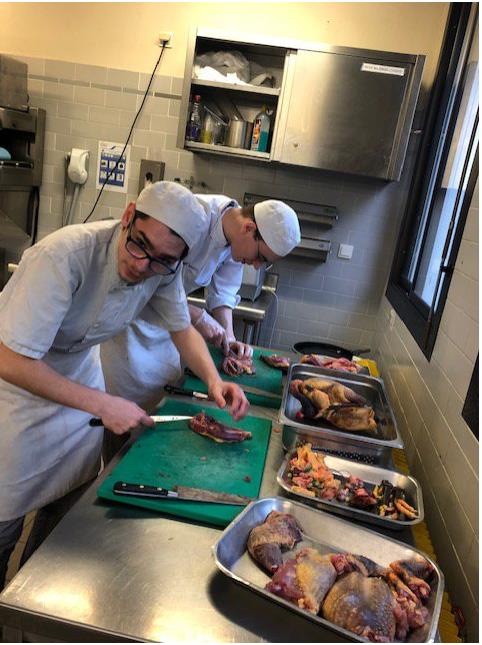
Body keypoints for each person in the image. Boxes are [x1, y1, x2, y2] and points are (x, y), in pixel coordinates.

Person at [0, 181, 249, 590]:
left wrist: (214, 379)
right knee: (3, 524)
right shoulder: (64, 257)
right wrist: (101, 403)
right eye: (139, 245)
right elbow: (10, 359)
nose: (142, 265)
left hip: (77, 385)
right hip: (15, 400)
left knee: (65, 509)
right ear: (129, 216)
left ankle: (34, 599)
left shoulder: (163, 269)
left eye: (162, 261)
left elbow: (180, 326)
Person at [100, 194, 301, 461]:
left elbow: (224, 293)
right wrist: (198, 317)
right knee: (123, 417)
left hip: (170, 332)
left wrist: (227, 335)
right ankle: (112, 471)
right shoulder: (192, 219)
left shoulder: (235, 241)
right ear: (249, 228)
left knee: (159, 413)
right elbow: (149, 283)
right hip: (132, 329)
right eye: (260, 257)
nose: (256, 265)